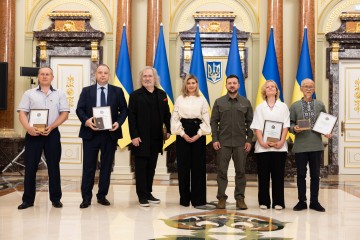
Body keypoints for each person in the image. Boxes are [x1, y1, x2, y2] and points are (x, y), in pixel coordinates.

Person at [17, 67, 69, 209]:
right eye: (42, 74)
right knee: (30, 167)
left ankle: (56, 199)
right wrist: (28, 128)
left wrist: (51, 127)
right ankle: (27, 200)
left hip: (52, 134)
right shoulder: (29, 94)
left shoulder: (60, 94)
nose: (45, 76)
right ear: (38, 77)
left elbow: (64, 113)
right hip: (33, 134)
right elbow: (22, 112)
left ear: (52, 77)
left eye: (47, 74)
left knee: (53, 167)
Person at [76, 64, 127, 209]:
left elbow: (124, 109)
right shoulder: (87, 91)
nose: (103, 75)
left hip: (110, 134)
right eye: (100, 72)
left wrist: (119, 122)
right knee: (88, 167)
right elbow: (79, 109)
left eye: (105, 73)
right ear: (95, 75)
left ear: (109, 75)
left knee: (106, 167)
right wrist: (86, 121)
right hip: (91, 134)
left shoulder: (117, 91)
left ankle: (102, 195)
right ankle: (86, 197)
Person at [128, 66, 171, 207]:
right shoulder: (135, 95)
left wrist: (169, 130)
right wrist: (134, 136)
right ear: (141, 79)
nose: (147, 78)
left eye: (150, 76)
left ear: (155, 78)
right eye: (145, 76)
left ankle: (148, 192)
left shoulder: (162, 95)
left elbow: (167, 115)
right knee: (141, 167)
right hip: (140, 139)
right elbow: (131, 118)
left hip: (156, 138)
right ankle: (141, 195)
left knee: (151, 167)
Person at [210, 74, 253, 210]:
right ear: (226, 85)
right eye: (230, 83)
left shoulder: (245, 102)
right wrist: (215, 139)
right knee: (222, 171)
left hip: (241, 143)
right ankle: (221, 199)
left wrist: (249, 140)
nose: (232, 85)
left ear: (238, 85)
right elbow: (213, 122)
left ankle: (240, 199)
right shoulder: (219, 102)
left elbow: (251, 123)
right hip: (223, 143)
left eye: (234, 83)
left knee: (240, 172)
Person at [290, 78, 331, 212]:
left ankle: (314, 201)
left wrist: (327, 132)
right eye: (306, 86)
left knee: (315, 175)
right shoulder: (295, 106)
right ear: (301, 89)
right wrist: (293, 128)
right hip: (301, 145)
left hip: (316, 145)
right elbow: (289, 124)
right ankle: (301, 201)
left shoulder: (319, 105)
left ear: (314, 89)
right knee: (301, 174)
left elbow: (326, 121)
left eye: (311, 87)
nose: (308, 88)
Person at [170, 74, 211, 207]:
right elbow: (174, 119)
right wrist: (182, 133)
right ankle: (185, 199)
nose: (191, 85)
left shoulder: (202, 100)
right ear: (185, 85)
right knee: (183, 167)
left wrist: (199, 134)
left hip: (198, 133)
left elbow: (206, 120)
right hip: (183, 133)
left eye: (194, 83)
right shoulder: (180, 99)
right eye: (189, 83)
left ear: (197, 85)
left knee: (198, 167)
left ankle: (198, 199)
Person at [250, 80, 289, 210]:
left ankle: (278, 202)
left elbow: (285, 126)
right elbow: (257, 127)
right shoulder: (260, 107)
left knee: (278, 176)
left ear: (277, 91)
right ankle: (264, 201)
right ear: (264, 91)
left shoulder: (283, 106)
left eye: (273, 87)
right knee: (263, 176)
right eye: (268, 87)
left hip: (279, 147)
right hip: (263, 148)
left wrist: (282, 141)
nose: (271, 88)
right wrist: (261, 142)